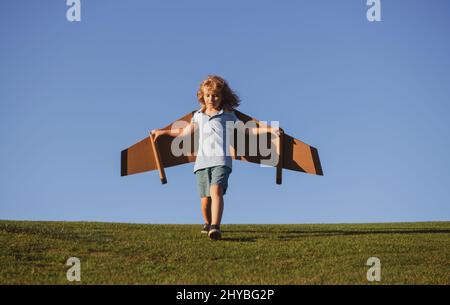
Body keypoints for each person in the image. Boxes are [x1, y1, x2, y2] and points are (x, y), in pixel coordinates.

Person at [152, 75, 279, 240]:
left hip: (221, 160)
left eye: (215, 95)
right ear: (202, 97)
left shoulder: (228, 115)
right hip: (201, 163)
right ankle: (207, 222)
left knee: (216, 191)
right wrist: (162, 132)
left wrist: (270, 130)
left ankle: (215, 226)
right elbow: (183, 133)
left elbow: (247, 131)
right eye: (208, 95)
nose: (211, 99)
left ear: (222, 97)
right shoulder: (198, 116)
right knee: (205, 199)